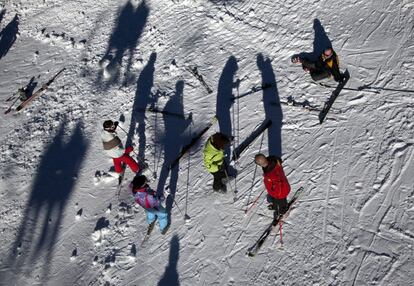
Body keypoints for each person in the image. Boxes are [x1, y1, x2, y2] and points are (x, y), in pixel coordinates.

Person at [254, 153, 291, 225]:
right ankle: (276, 205)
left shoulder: (271, 174)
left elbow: (279, 188)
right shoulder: (272, 161)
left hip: (281, 192)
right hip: (278, 188)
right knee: (274, 200)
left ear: (260, 165)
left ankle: (282, 211)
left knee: (280, 203)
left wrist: (276, 195)